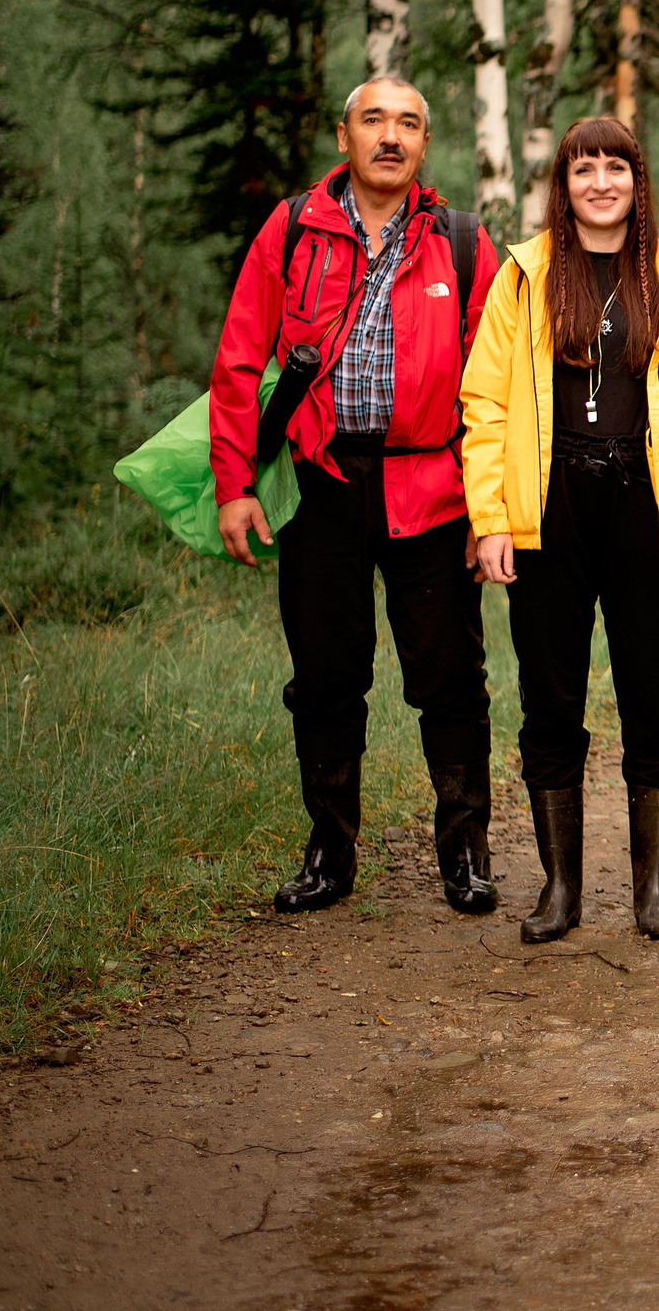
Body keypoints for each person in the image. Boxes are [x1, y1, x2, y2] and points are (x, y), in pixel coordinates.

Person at [210, 79, 501, 916]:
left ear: (424, 144)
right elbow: (238, 360)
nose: (390, 135)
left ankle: (466, 853)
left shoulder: (463, 242)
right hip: (322, 485)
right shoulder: (295, 227)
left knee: (450, 678)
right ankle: (330, 852)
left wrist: (493, 510)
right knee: (328, 677)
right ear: (344, 136)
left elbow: (493, 391)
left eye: (408, 123)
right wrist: (235, 486)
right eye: (374, 120)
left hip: (432, 487)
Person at [459, 118, 659, 942]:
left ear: (636, 180)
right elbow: (486, 403)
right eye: (585, 168)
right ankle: (560, 889)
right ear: (564, 182)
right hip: (549, 510)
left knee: (653, 698)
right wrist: (491, 517)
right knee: (551, 700)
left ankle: (653, 888)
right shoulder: (525, 275)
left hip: (647, 506)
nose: (601, 181)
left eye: (617, 166)